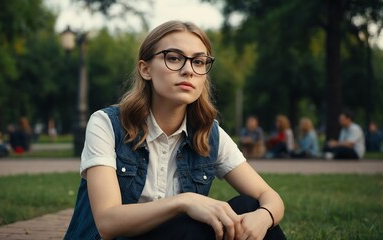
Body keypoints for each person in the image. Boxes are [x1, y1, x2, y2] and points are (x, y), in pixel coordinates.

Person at [65, 21, 285, 240]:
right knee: (192, 226)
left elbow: (270, 197)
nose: (188, 70)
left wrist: (263, 217)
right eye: (174, 58)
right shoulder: (106, 124)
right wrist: (184, 201)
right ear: (145, 69)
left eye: (198, 62)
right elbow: (107, 222)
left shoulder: (208, 133)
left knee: (248, 206)